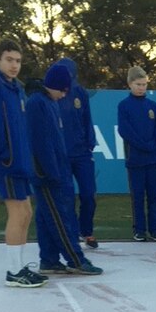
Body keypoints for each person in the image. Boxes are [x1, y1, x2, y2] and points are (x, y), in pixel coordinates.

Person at [0, 39, 48, 287]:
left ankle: (20, 267)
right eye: (9, 60)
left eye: (18, 61)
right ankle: (13, 271)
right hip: (7, 162)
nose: (14, 65)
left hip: (20, 161)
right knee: (17, 212)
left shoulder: (15, 87)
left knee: (27, 212)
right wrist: (5, 156)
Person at [28, 65, 103, 276]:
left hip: (55, 168)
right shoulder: (37, 103)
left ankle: (49, 259)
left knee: (45, 218)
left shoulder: (50, 102)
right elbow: (39, 143)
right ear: (55, 85)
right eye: (63, 89)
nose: (65, 94)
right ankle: (76, 259)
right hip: (48, 174)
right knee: (60, 217)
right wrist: (51, 173)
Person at [55, 58, 99, 249]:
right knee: (67, 196)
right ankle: (71, 235)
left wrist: (90, 144)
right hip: (62, 154)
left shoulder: (80, 92)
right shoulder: (52, 93)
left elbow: (87, 119)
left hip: (82, 153)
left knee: (89, 194)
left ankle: (87, 231)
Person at [118, 66, 156, 241]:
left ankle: (155, 229)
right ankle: (139, 230)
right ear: (130, 84)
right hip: (135, 159)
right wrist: (143, 145)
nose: (141, 88)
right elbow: (125, 130)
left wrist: (154, 143)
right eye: (138, 84)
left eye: (144, 84)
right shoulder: (124, 106)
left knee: (154, 196)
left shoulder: (153, 106)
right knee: (138, 196)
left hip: (153, 158)